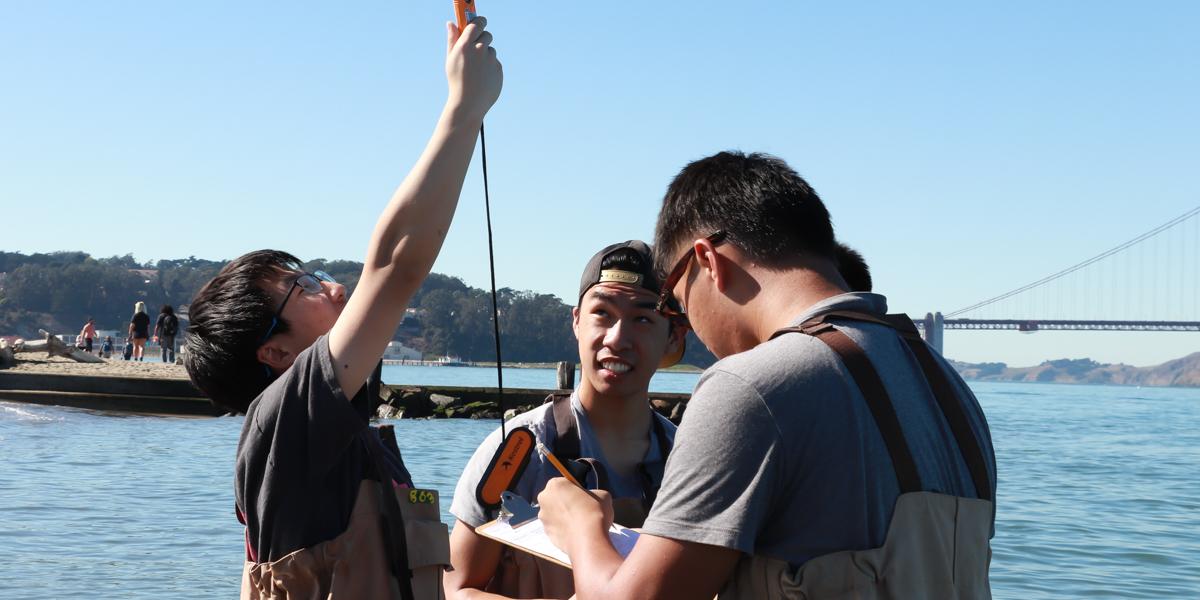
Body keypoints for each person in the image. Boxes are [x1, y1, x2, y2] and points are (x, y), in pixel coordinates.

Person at [537, 151, 997, 599]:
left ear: (707, 262)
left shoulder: (750, 386)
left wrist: (580, 526)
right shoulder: (948, 386)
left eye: (673, 302)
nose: (689, 325)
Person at [182, 18, 501, 600]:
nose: (332, 288)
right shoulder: (281, 424)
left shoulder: (336, 437)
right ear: (274, 352)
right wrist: (464, 107)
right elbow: (395, 266)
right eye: (301, 286)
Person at [444, 241, 686, 599]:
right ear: (576, 322)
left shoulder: (686, 462)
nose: (617, 338)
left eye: (643, 319)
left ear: (673, 337)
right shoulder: (518, 450)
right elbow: (456, 588)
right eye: (602, 313)